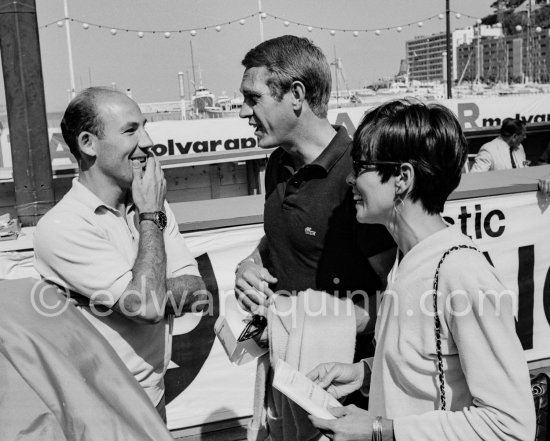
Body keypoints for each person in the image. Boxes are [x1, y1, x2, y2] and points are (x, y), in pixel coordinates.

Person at [307, 99, 535, 441]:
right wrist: (365, 374)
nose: (351, 180)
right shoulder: (410, 260)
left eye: (361, 165)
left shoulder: (461, 273)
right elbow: (431, 370)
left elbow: (509, 426)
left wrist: (378, 431)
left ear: (402, 178)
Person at [235, 35, 395, 439]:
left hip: (345, 394)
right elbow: (282, 239)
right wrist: (252, 263)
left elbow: (399, 300)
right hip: (288, 381)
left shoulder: (360, 178)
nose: (242, 111)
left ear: (296, 95)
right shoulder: (276, 165)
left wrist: (322, 325)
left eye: (252, 98)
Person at [34, 87, 207, 420]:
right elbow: (146, 305)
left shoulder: (151, 207)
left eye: (144, 126)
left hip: (152, 398)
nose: (147, 141)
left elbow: (197, 291)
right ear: (87, 144)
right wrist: (149, 219)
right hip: (98, 410)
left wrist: (141, 292)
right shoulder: (62, 226)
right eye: (131, 130)